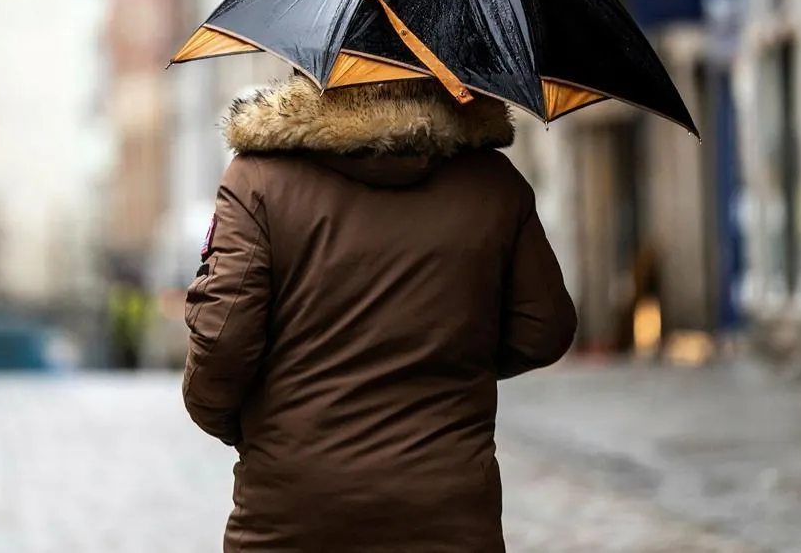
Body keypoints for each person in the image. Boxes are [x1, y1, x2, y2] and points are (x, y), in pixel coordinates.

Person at [182, 74, 578, 552]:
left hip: (294, 510)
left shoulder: (258, 179)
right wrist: (451, 361)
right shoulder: (492, 181)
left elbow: (222, 343)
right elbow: (545, 329)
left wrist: (256, 429)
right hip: (446, 507)